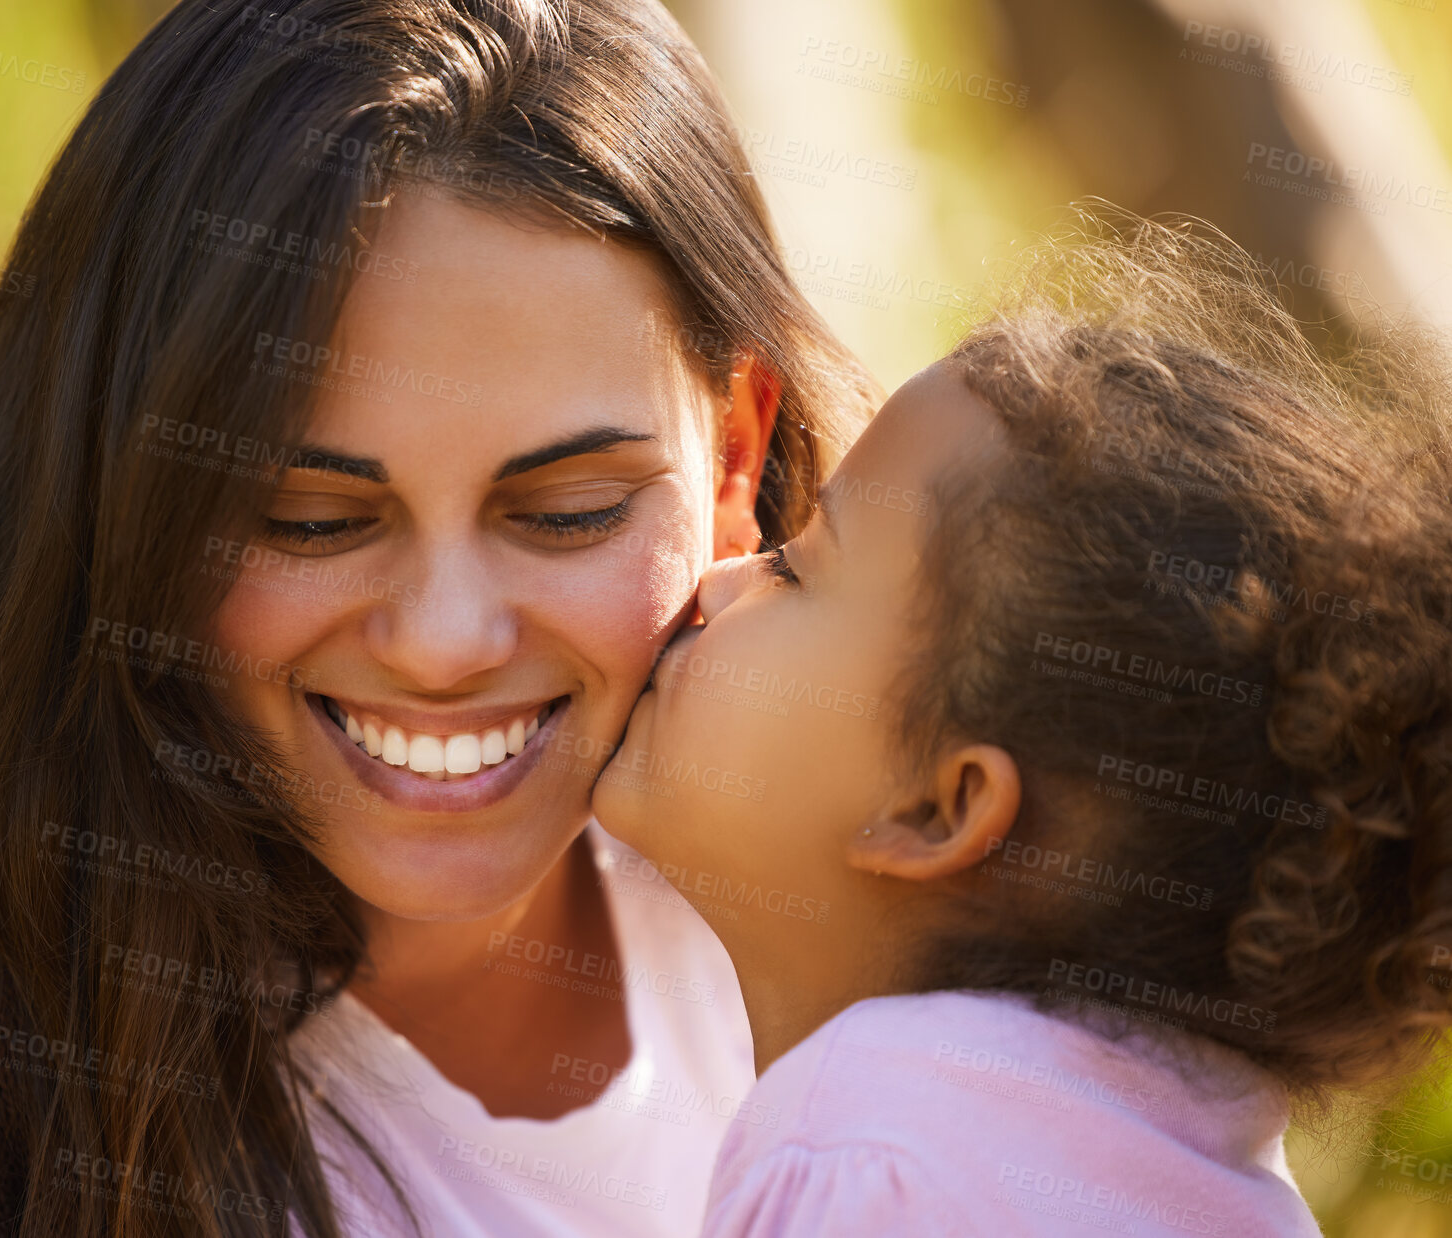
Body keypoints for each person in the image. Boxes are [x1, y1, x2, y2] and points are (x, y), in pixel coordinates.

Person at [0, 1, 877, 1235]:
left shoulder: (898, 848)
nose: (444, 641)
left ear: (733, 454)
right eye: (312, 520)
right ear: (121, 487)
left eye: (567, 511)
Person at [594, 221, 1452, 1236]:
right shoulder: (1216, 1174)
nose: (723, 575)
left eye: (795, 570)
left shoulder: (870, 1154)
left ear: (940, 808)